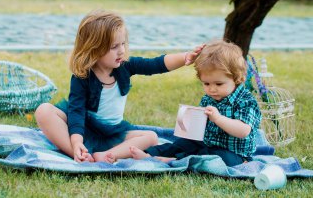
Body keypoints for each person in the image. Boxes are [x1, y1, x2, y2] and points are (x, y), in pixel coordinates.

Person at [35, 10, 204, 163]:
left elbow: (156, 64)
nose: (122, 51)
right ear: (94, 50)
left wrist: (185, 57)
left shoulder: (125, 66)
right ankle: (78, 153)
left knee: (151, 137)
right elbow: (76, 110)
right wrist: (77, 141)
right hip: (84, 128)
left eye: (123, 44)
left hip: (113, 134)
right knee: (44, 111)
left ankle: (108, 155)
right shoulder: (82, 76)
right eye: (114, 47)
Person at [130, 40, 262, 167]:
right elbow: (198, 129)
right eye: (206, 83)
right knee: (181, 143)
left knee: (215, 157)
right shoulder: (208, 99)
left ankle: (174, 160)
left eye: (218, 84)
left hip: (235, 153)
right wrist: (188, 122)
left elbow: (243, 131)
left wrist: (218, 119)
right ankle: (149, 154)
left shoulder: (246, 101)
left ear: (237, 78)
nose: (212, 89)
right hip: (207, 142)